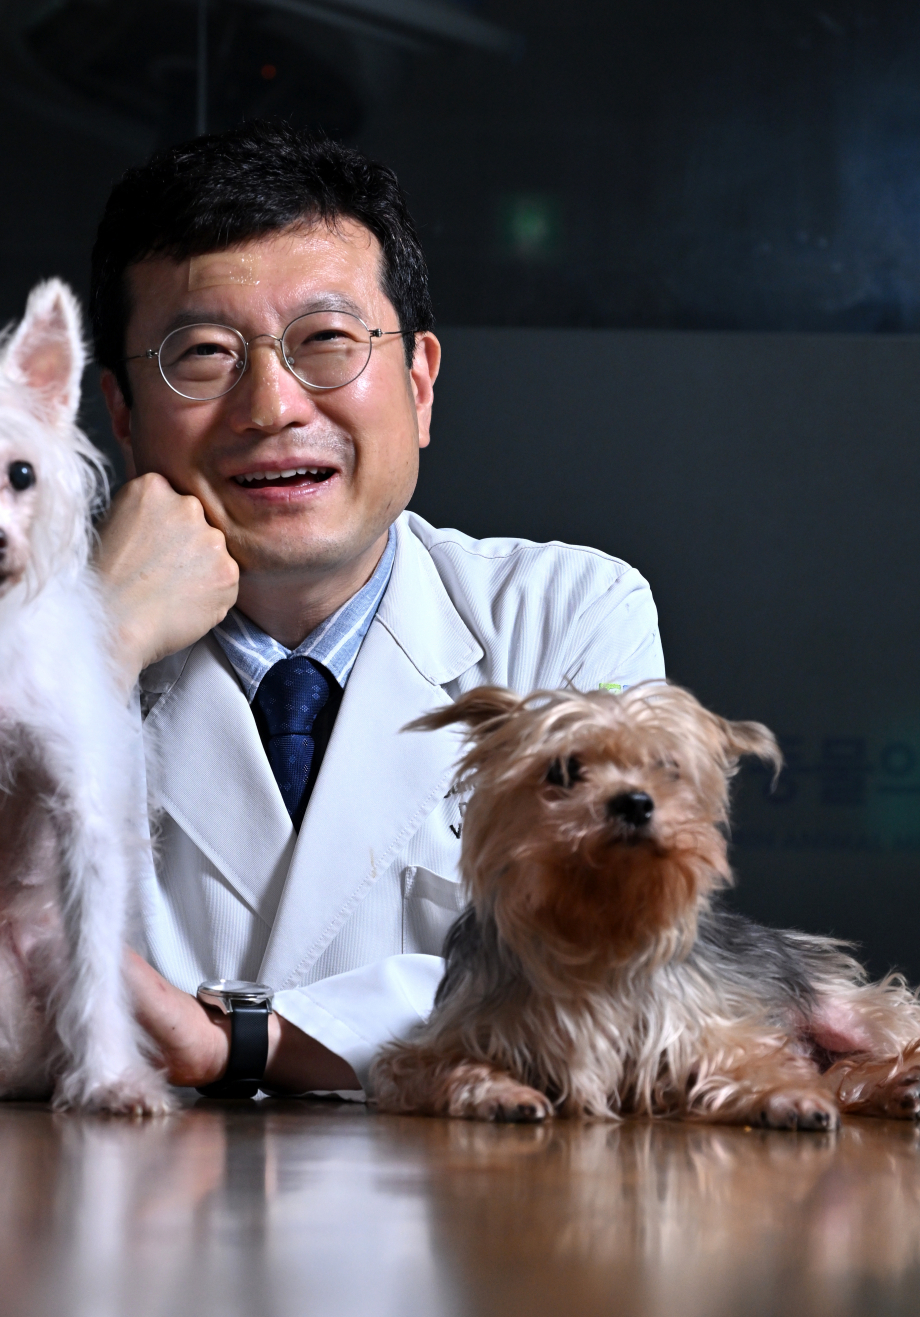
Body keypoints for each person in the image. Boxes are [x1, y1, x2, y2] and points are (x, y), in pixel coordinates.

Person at [90, 122, 664, 1097]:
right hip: (135, 1223)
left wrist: (245, 1044)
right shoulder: (23, 647)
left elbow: (610, 964)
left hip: (470, 1229)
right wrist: (93, 650)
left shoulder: (564, 615)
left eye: (324, 340)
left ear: (419, 382)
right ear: (120, 416)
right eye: (201, 355)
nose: (269, 405)